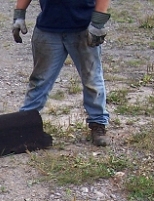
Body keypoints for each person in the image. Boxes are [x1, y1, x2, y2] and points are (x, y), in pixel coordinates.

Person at [12, 0, 111, 146]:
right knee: (39, 81)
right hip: (48, 28)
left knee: (92, 80)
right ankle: (25, 125)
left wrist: (97, 23)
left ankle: (98, 124)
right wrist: (19, 15)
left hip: (83, 28)